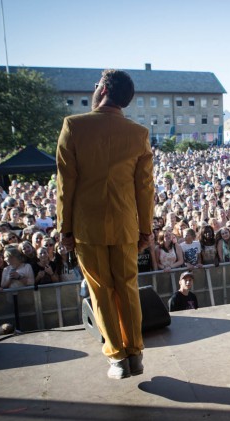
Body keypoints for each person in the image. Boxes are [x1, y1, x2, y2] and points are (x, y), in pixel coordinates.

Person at [56, 69, 154, 379]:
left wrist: (65, 228)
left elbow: (65, 185)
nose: (94, 87)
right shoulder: (138, 134)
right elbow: (145, 188)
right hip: (126, 226)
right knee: (127, 288)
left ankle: (117, 358)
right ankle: (135, 353)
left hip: (88, 228)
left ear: (104, 89)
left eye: (97, 83)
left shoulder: (74, 126)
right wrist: (146, 230)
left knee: (101, 292)